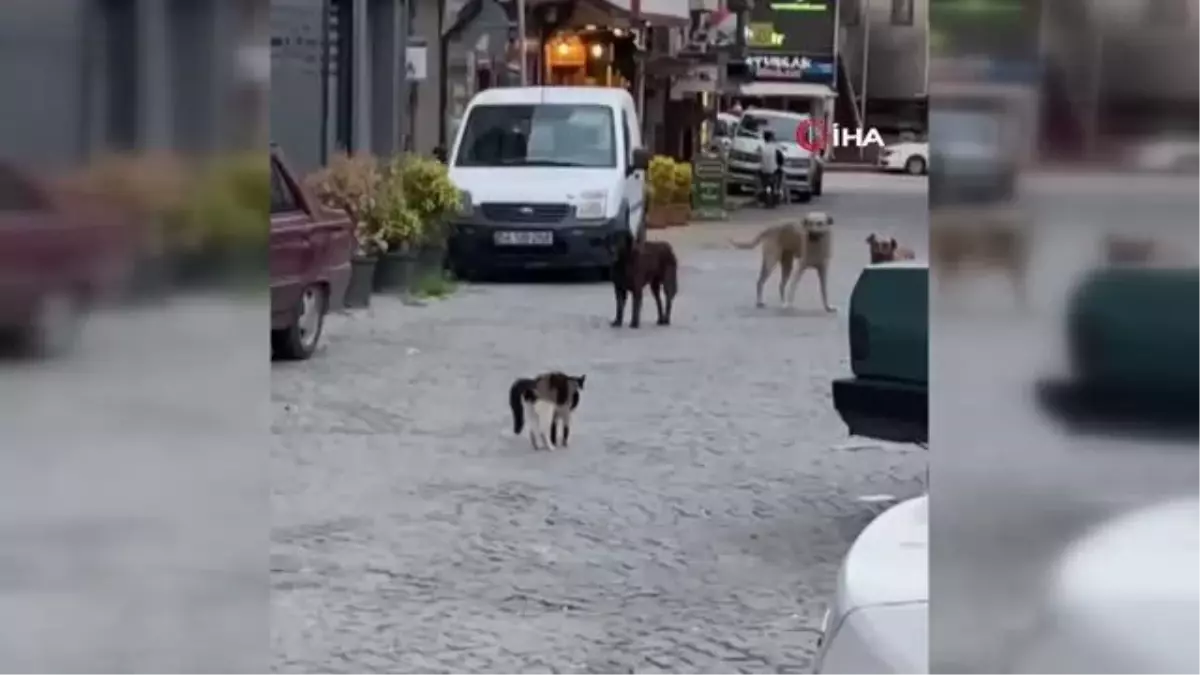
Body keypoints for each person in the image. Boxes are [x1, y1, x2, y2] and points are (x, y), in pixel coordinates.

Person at [759, 130, 783, 205]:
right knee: (780, 174)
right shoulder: (776, 148)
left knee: (761, 178)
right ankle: (778, 190)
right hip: (774, 170)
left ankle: (761, 189)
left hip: (763, 171)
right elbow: (781, 160)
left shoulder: (761, 147)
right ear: (771, 138)